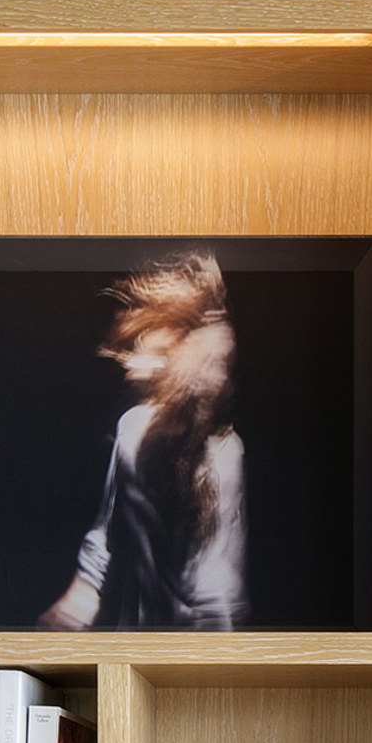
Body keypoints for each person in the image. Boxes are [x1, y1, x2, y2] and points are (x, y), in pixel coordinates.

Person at [41, 250, 247, 629]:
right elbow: (104, 538)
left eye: (154, 354)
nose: (133, 368)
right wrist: (77, 602)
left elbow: (216, 597)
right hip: (135, 648)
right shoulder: (132, 431)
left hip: (195, 663)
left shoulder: (223, 456)